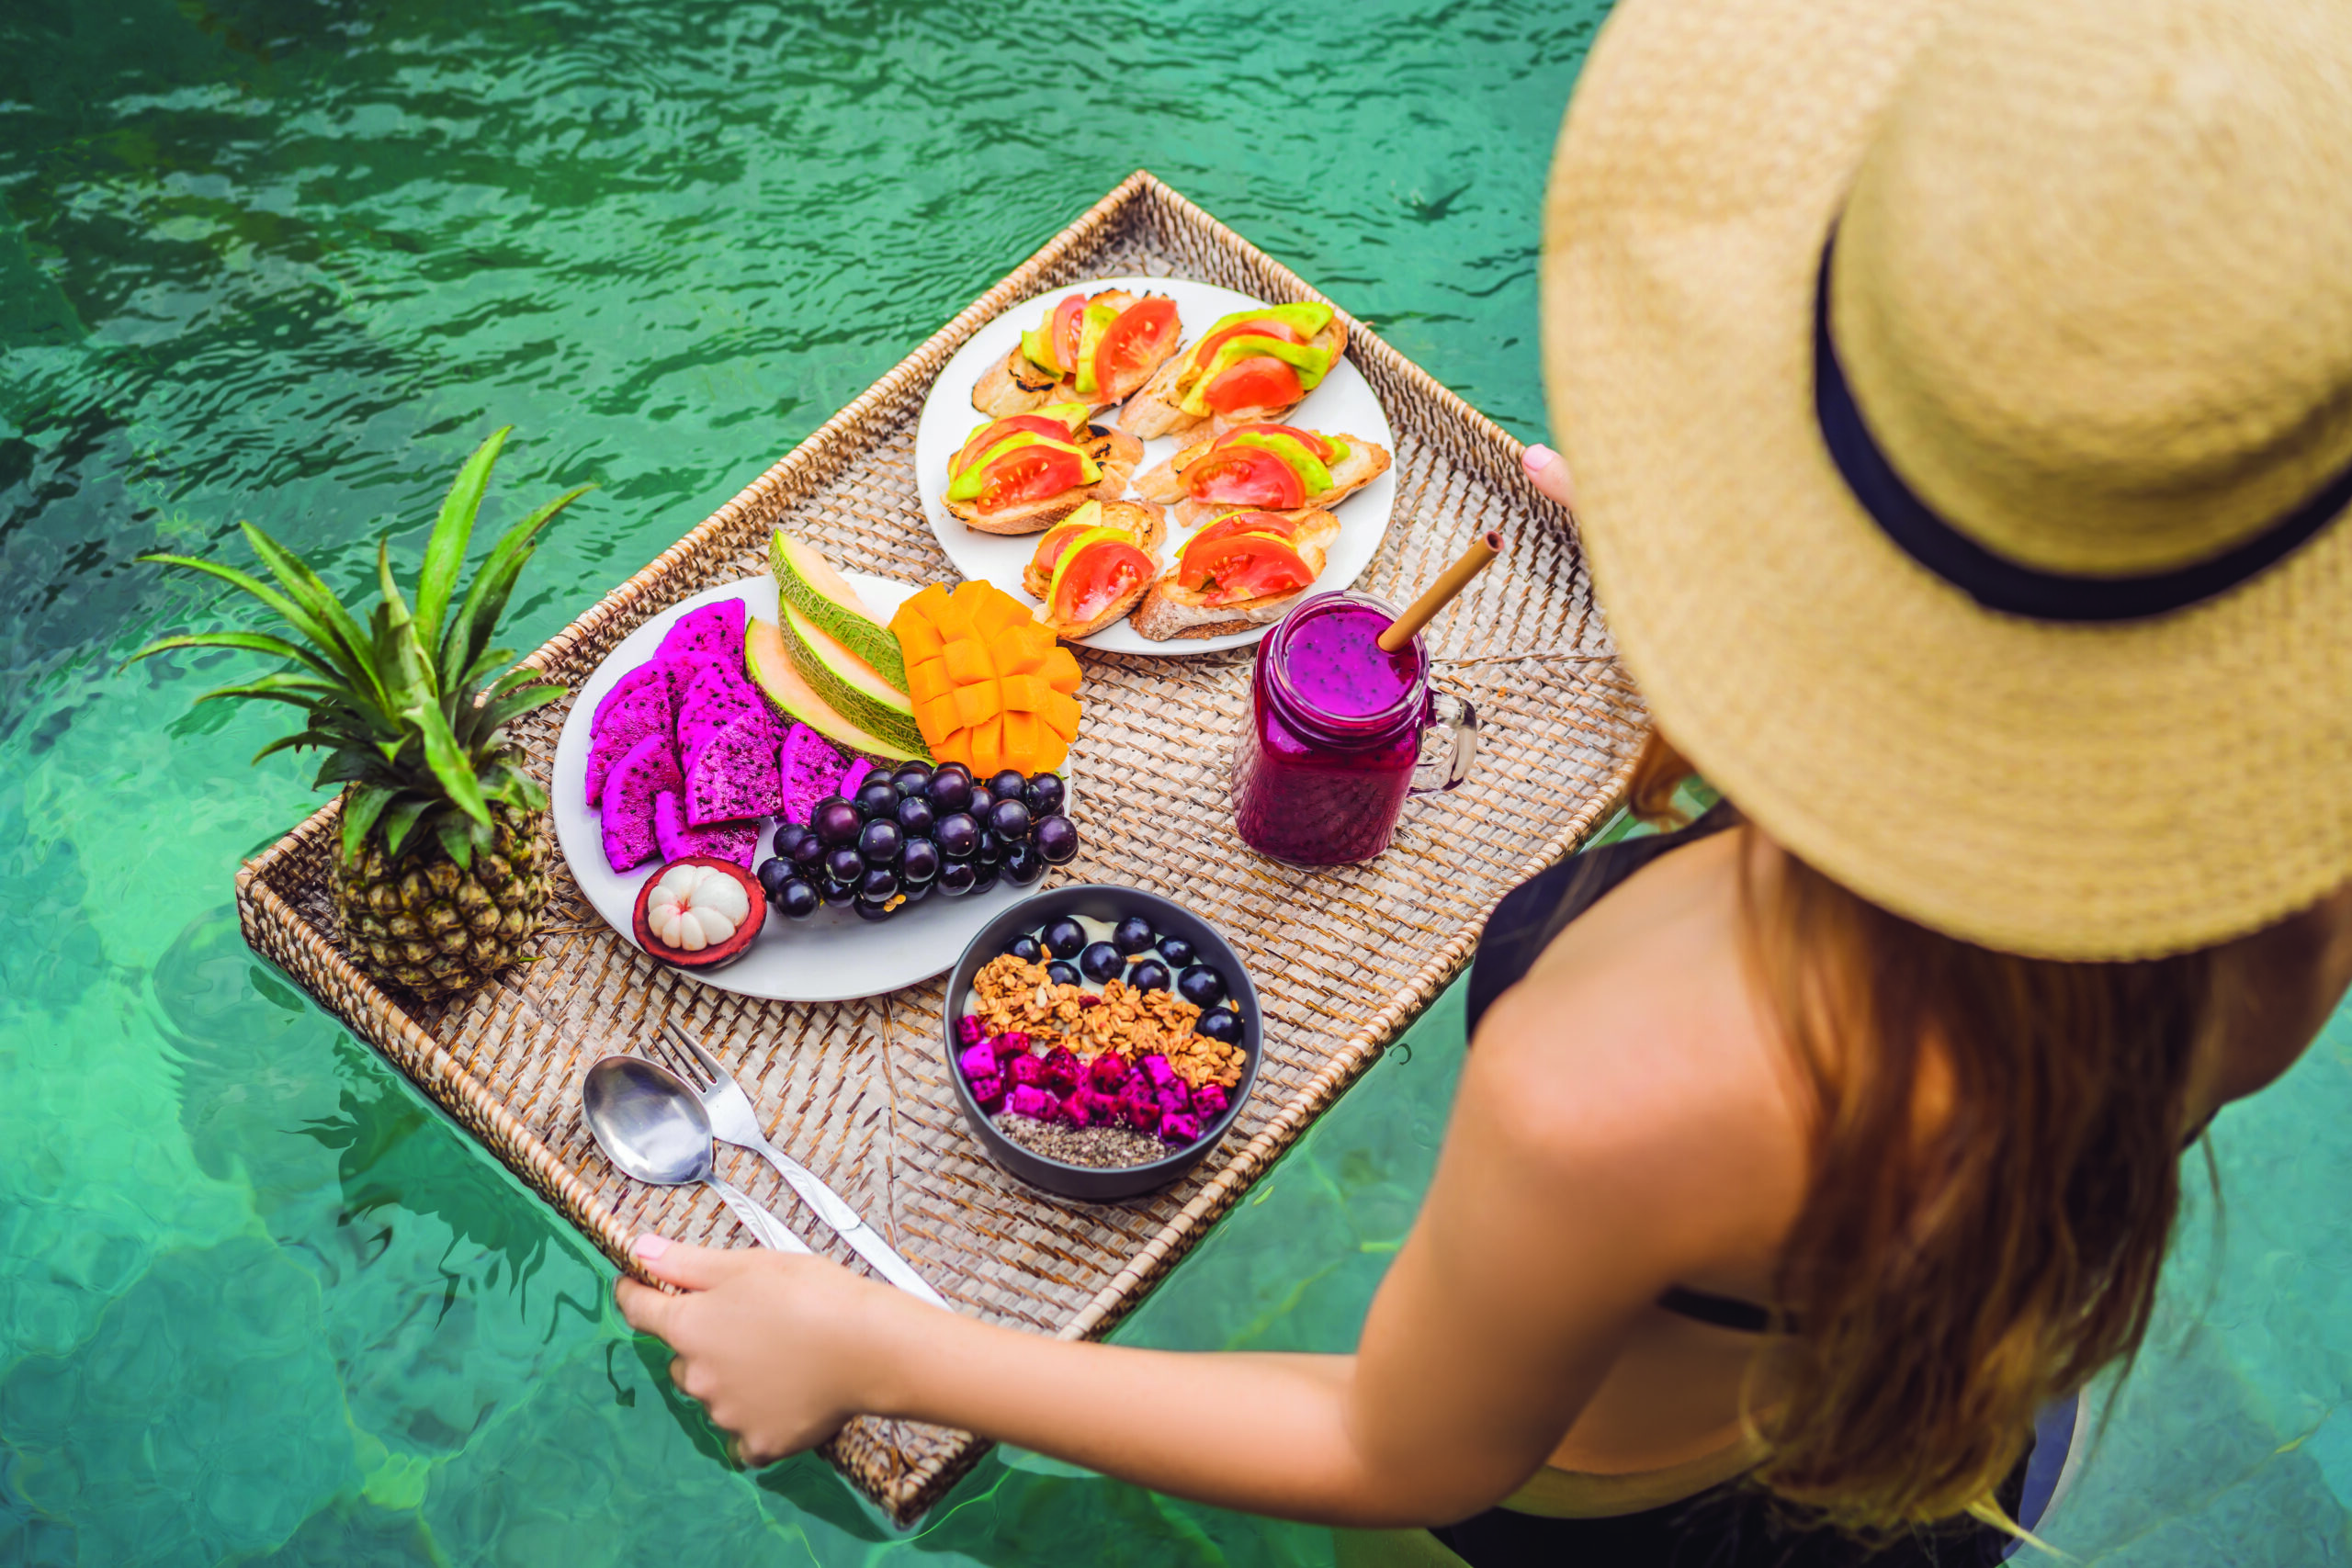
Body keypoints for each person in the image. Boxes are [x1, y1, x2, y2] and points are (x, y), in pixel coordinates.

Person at [617, 0, 2352, 1560]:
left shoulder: (1625, 1067)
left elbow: (1397, 1443)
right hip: (1956, 1414)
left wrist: (884, 1349)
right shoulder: (2287, 876)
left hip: (1622, 1514)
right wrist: (1750, 599)